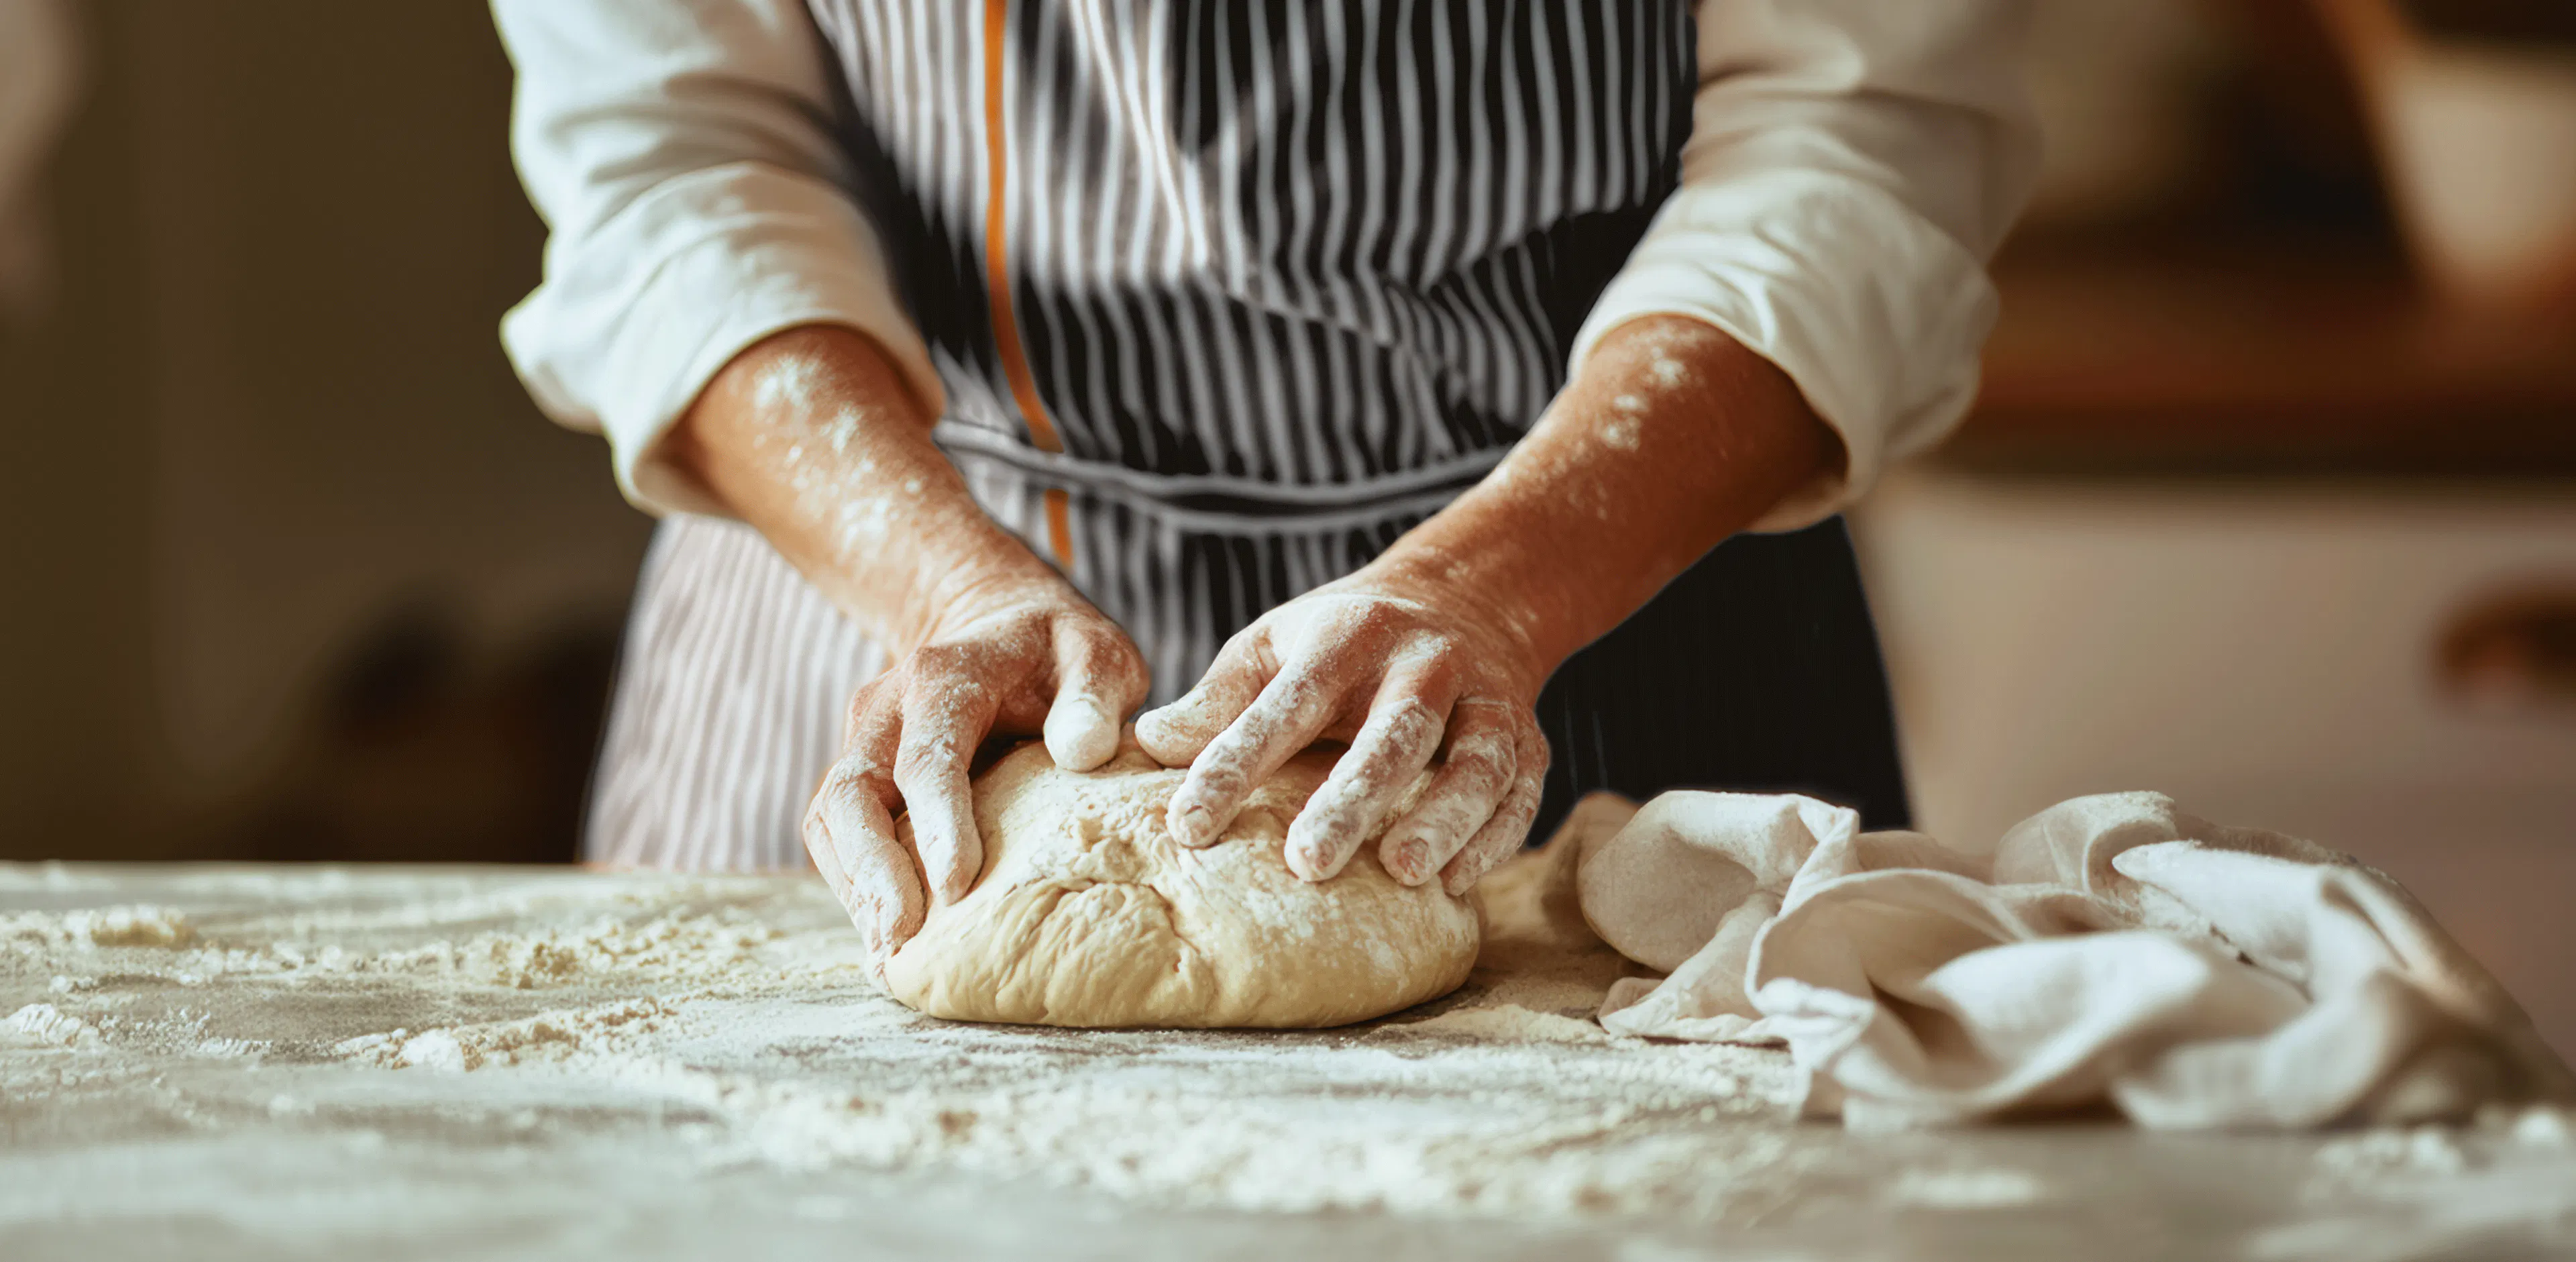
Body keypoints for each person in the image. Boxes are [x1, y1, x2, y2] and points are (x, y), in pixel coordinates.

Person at [492, 1, 2037, 969]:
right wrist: (942, 582)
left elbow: (1855, 144)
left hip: (1613, 593)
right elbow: (677, 168)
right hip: (901, 618)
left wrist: (1493, 587)